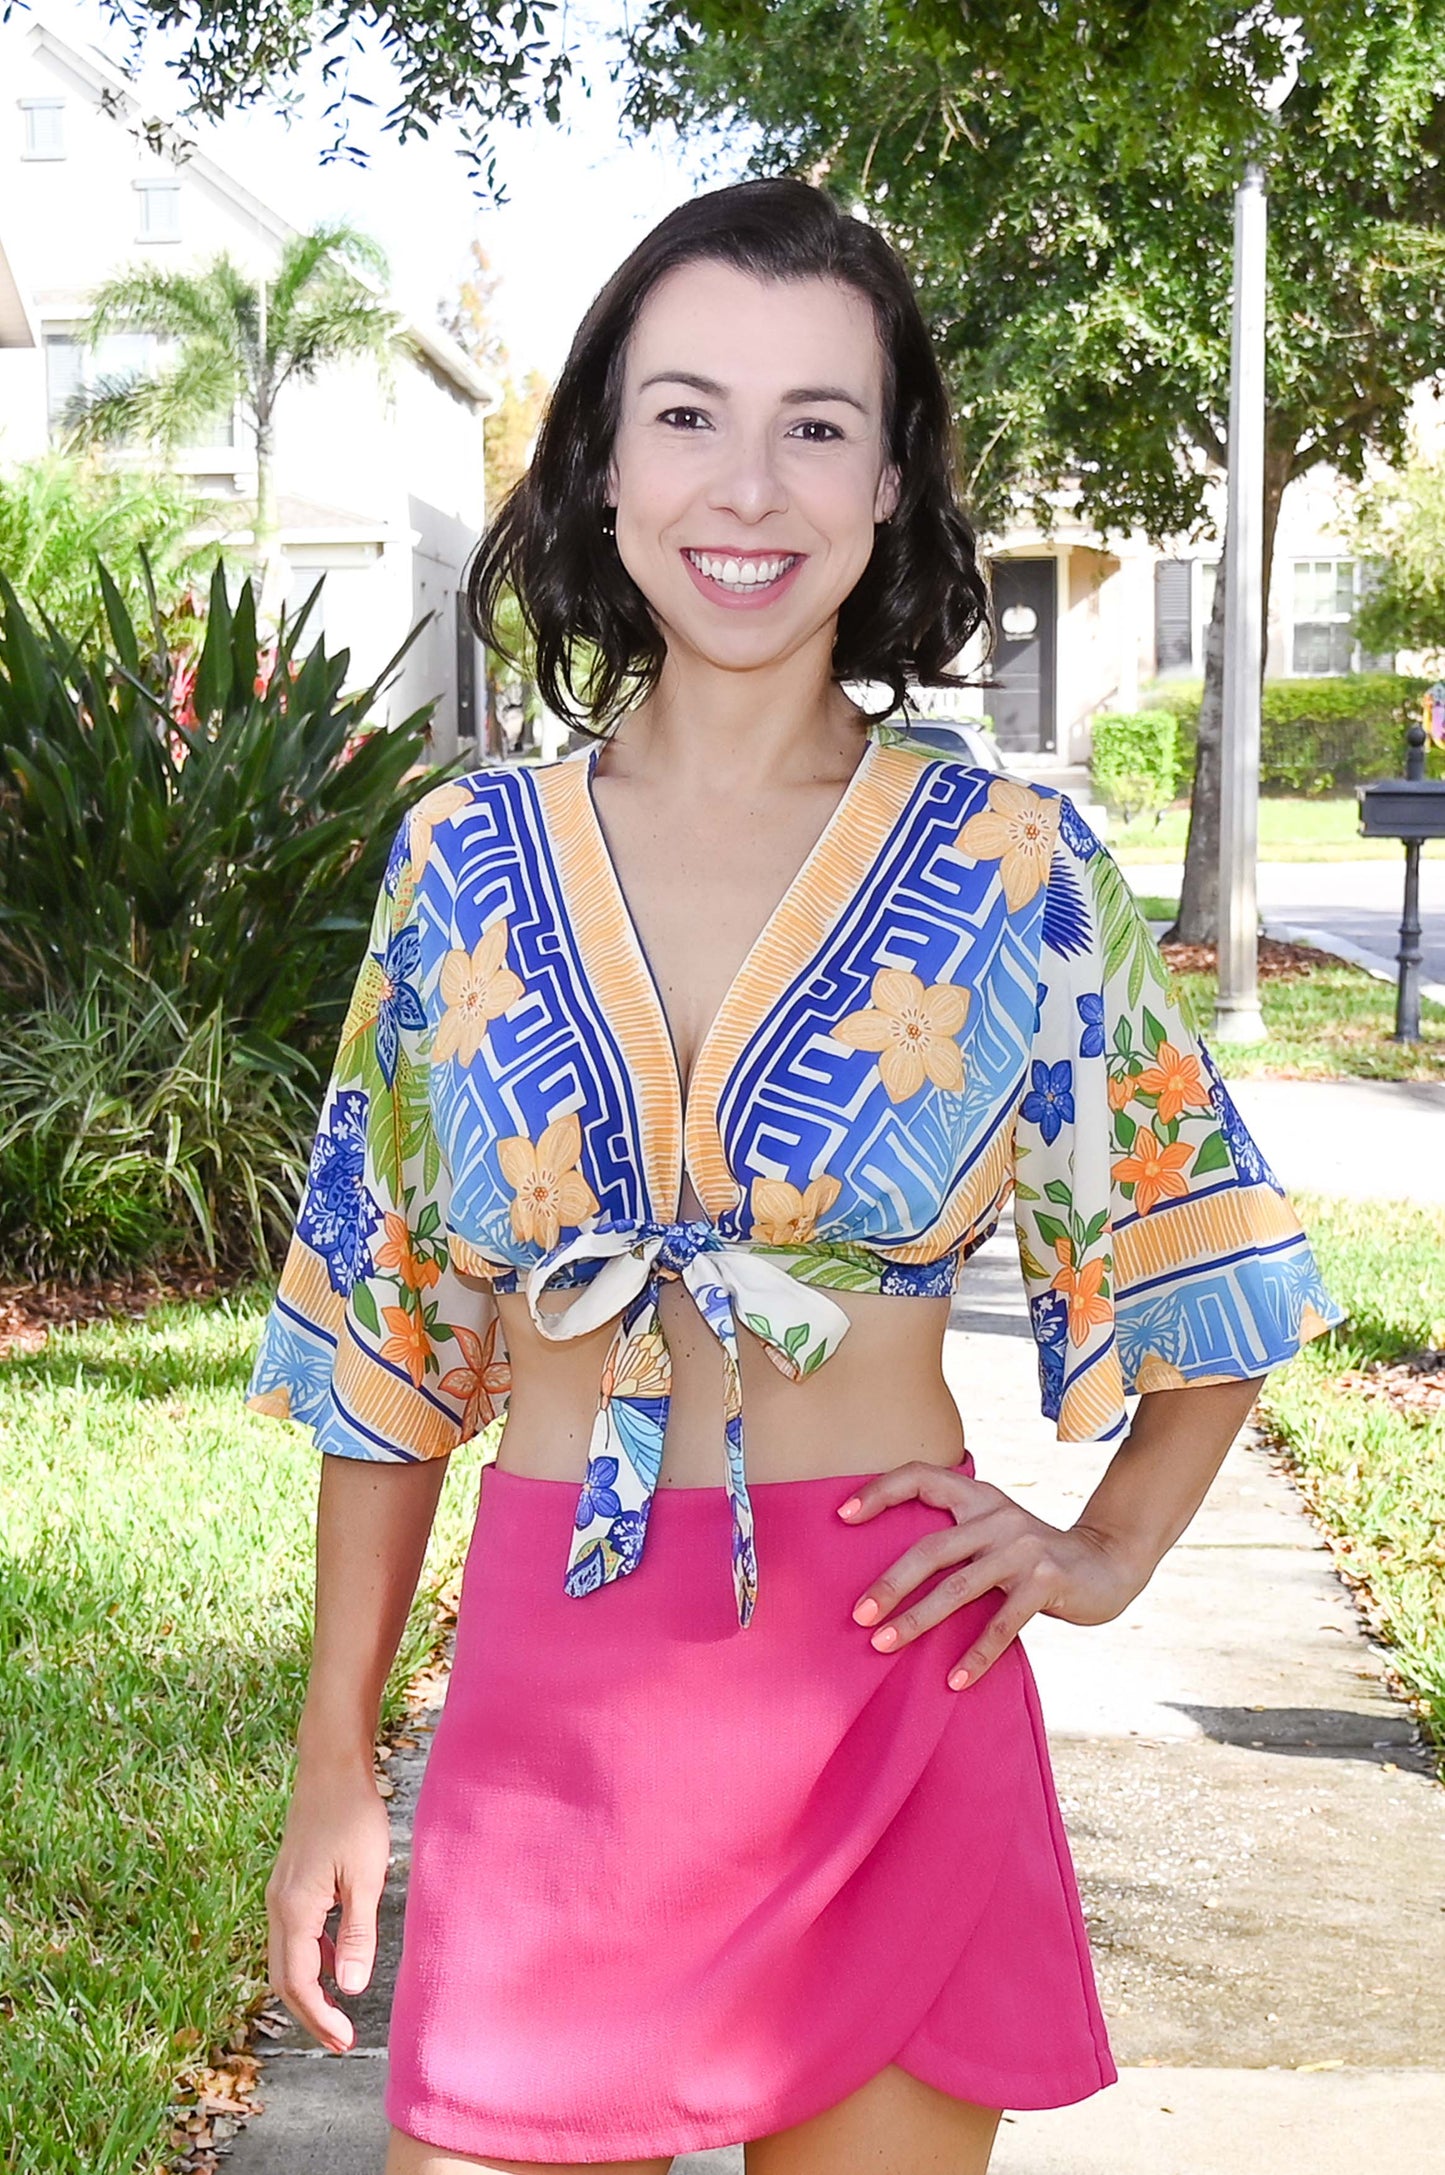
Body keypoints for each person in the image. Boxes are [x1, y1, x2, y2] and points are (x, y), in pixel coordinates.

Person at [248, 179, 1341, 2175]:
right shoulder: (461, 864)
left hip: (888, 1681)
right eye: (685, 411)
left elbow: (1212, 1257)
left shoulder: (1016, 867)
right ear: (594, 459)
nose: (746, 481)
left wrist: (1105, 1551)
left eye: (817, 422)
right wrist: (336, 1764)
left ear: (894, 474)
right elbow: (388, 1350)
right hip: (555, 1693)